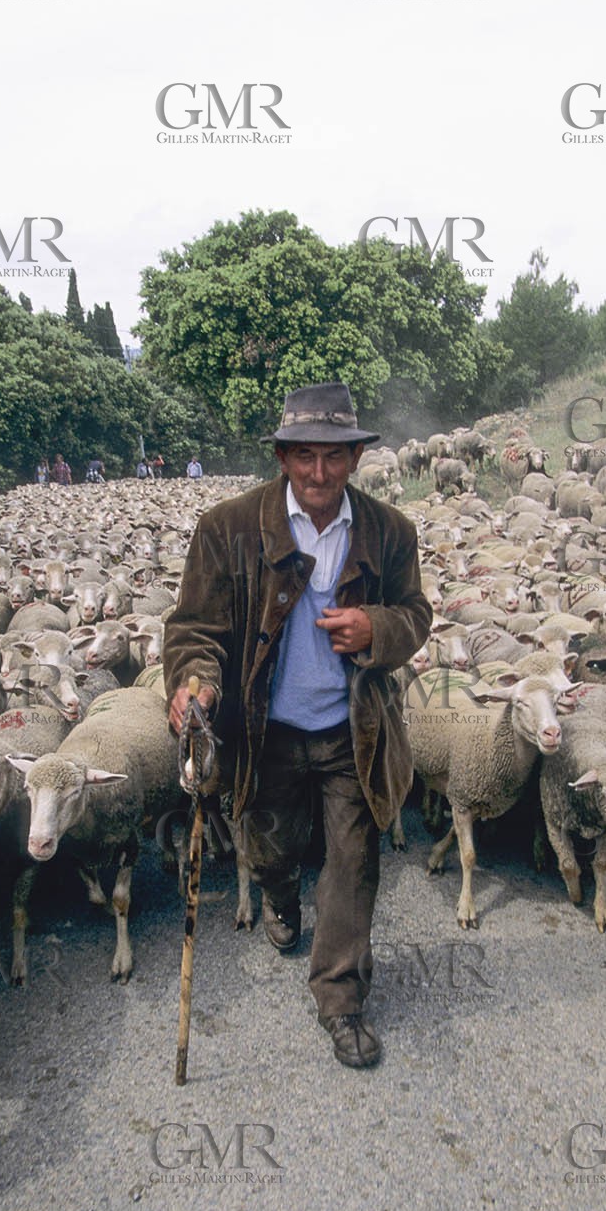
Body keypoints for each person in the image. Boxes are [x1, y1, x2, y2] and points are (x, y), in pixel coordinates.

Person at [163, 383, 432, 1070]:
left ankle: (340, 1000)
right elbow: (194, 629)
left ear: (355, 457)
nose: (319, 474)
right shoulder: (226, 529)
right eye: (305, 457)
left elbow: (415, 617)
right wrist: (195, 681)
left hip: (353, 730)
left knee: (351, 861)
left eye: (335, 458)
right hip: (265, 732)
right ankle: (280, 899)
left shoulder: (388, 532)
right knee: (272, 850)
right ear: (282, 456)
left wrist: (379, 627)